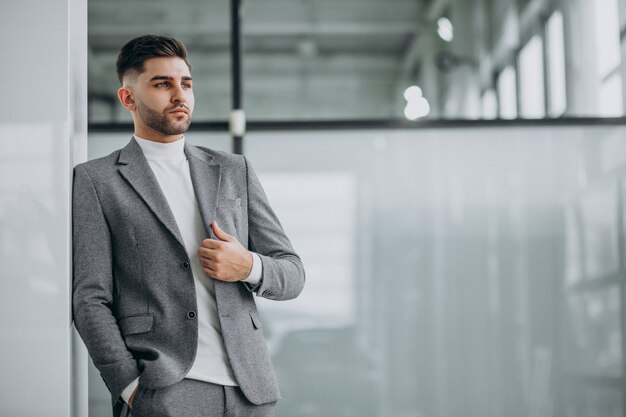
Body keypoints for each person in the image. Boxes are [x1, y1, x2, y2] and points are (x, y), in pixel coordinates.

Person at [72, 35, 305, 417]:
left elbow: (293, 273)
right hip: (165, 387)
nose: (179, 94)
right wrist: (129, 386)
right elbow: (90, 298)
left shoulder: (233, 170)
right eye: (162, 84)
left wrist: (247, 266)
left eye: (186, 83)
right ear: (128, 99)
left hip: (250, 390)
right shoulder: (98, 180)